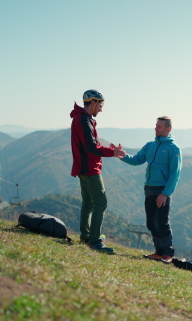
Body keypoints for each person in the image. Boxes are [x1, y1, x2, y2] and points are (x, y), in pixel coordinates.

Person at [119, 116, 182, 263]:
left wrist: (165, 194)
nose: (156, 128)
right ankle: (158, 252)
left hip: (162, 190)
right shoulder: (150, 145)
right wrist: (122, 156)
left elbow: (175, 174)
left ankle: (168, 254)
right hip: (149, 188)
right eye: (156, 126)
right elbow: (137, 160)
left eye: (159, 127)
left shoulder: (174, 148)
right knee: (151, 222)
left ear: (168, 129)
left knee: (162, 222)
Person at [70, 89, 125, 254]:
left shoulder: (82, 118)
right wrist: (112, 153)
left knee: (88, 202)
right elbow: (91, 147)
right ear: (93, 103)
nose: (101, 109)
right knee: (101, 202)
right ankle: (94, 241)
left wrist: (110, 150)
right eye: (100, 105)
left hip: (83, 167)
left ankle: (86, 237)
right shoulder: (82, 119)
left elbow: (90, 145)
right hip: (89, 169)